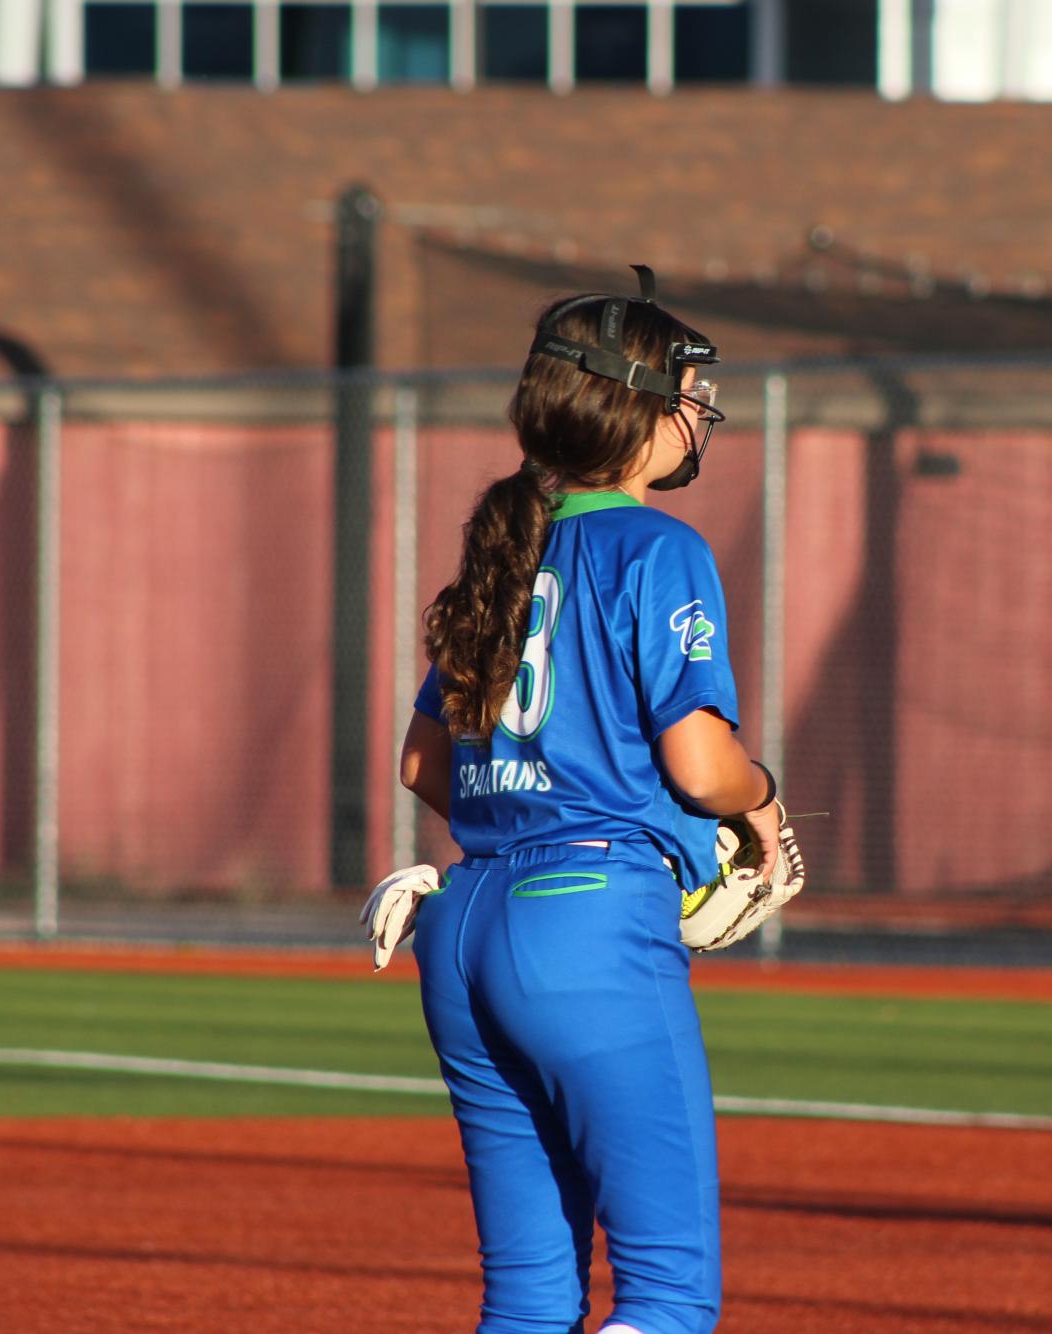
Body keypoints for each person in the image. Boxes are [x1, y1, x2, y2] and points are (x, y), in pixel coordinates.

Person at [395, 268, 780, 1334]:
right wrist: (764, 804)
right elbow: (702, 766)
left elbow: (426, 766)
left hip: (466, 924)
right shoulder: (659, 545)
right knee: (665, 1297)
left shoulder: (507, 550)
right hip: (589, 918)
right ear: (632, 407)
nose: (700, 413)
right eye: (686, 391)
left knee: (526, 1299)